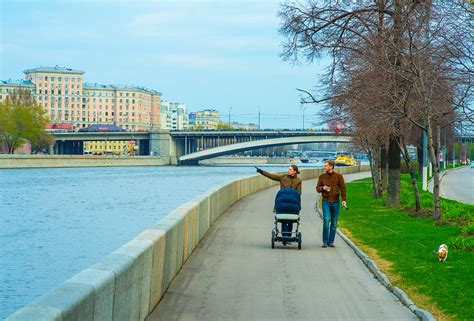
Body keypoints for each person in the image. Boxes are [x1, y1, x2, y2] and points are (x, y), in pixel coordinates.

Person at [256, 165, 302, 238]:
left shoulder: (298, 181)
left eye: (290, 169)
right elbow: (273, 176)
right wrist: (262, 172)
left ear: (295, 171)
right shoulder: (283, 177)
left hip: (292, 203)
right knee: (283, 219)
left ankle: (288, 236)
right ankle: (284, 236)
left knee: (290, 220)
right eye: (288, 169)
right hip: (282, 202)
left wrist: (294, 199)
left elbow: (299, 193)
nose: (288, 171)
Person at [316, 160, 347, 248]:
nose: (324, 167)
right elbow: (317, 189)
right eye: (324, 165)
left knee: (334, 223)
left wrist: (344, 199)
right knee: (326, 220)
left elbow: (343, 188)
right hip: (325, 201)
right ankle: (325, 241)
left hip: (336, 202)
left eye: (326, 166)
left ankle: (331, 241)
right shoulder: (322, 177)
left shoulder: (339, 177)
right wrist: (323, 188)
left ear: (331, 167)